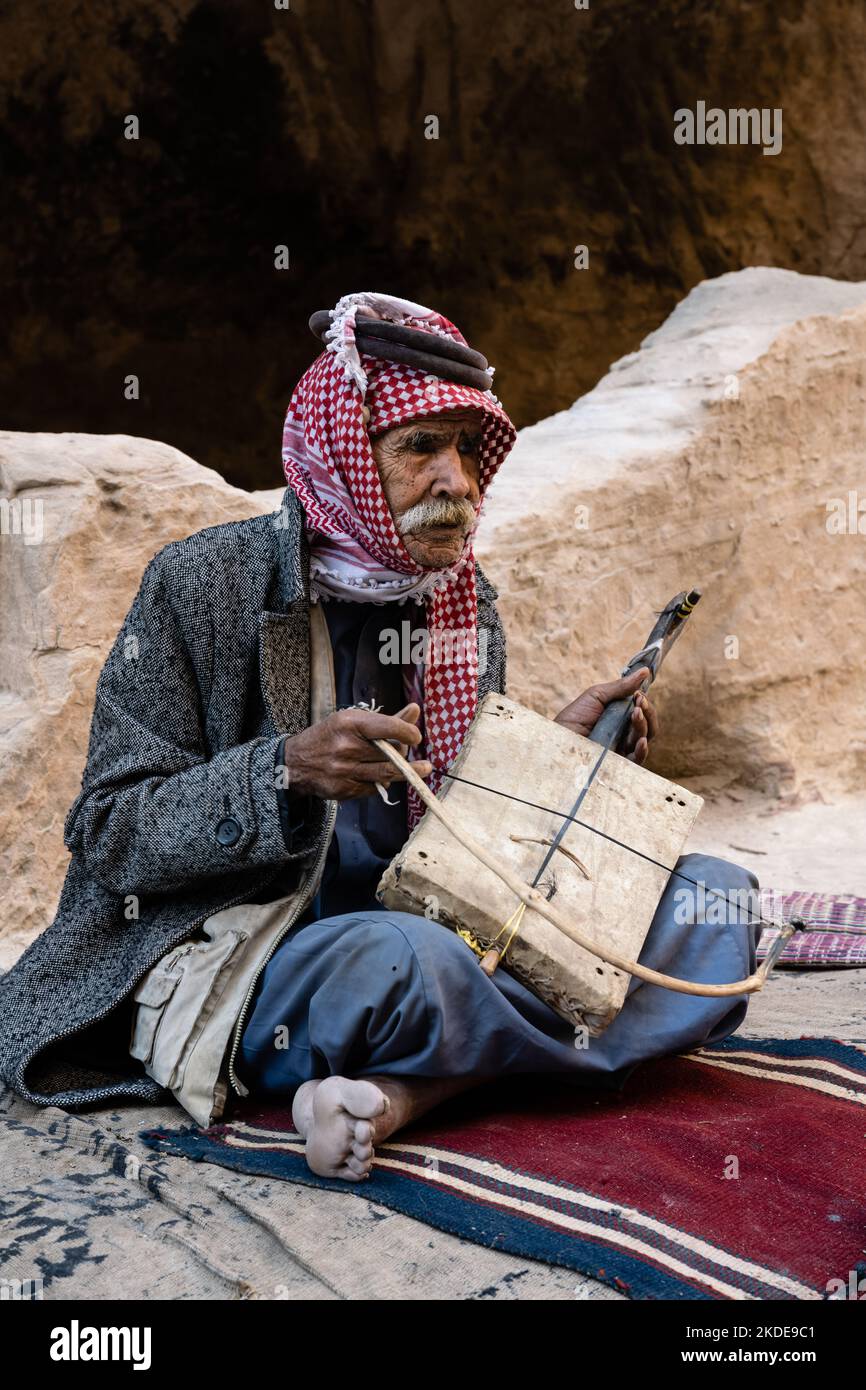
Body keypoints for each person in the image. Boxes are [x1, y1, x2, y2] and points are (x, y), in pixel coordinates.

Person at [0, 292, 760, 1185]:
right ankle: (484, 1061)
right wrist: (284, 772)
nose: (459, 482)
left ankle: (403, 1098)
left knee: (721, 904)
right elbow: (110, 830)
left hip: (450, 928)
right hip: (270, 949)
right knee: (406, 965)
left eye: (469, 451)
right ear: (348, 455)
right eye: (421, 449)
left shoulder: (460, 603)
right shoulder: (203, 585)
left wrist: (560, 752)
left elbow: (464, 828)